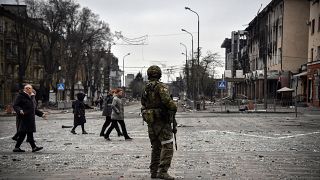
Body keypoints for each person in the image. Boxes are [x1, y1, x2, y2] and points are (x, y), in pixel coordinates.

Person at [141, 65, 177, 179]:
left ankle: (154, 171)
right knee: (167, 145)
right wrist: (174, 106)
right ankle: (162, 171)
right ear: (159, 74)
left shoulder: (146, 88)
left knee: (156, 146)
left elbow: (143, 103)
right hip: (162, 120)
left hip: (151, 120)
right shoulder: (161, 87)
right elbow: (167, 101)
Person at [12, 84, 47, 152]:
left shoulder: (32, 97)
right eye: (26, 88)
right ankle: (33, 147)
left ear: (32, 89)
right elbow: (15, 105)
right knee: (26, 133)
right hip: (23, 118)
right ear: (24, 89)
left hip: (30, 119)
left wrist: (41, 114)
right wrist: (19, 110)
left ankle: (17, 147)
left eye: (29, 88)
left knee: (25, 133)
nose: (28, 89)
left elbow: (34, 109)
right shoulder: (20, 96)